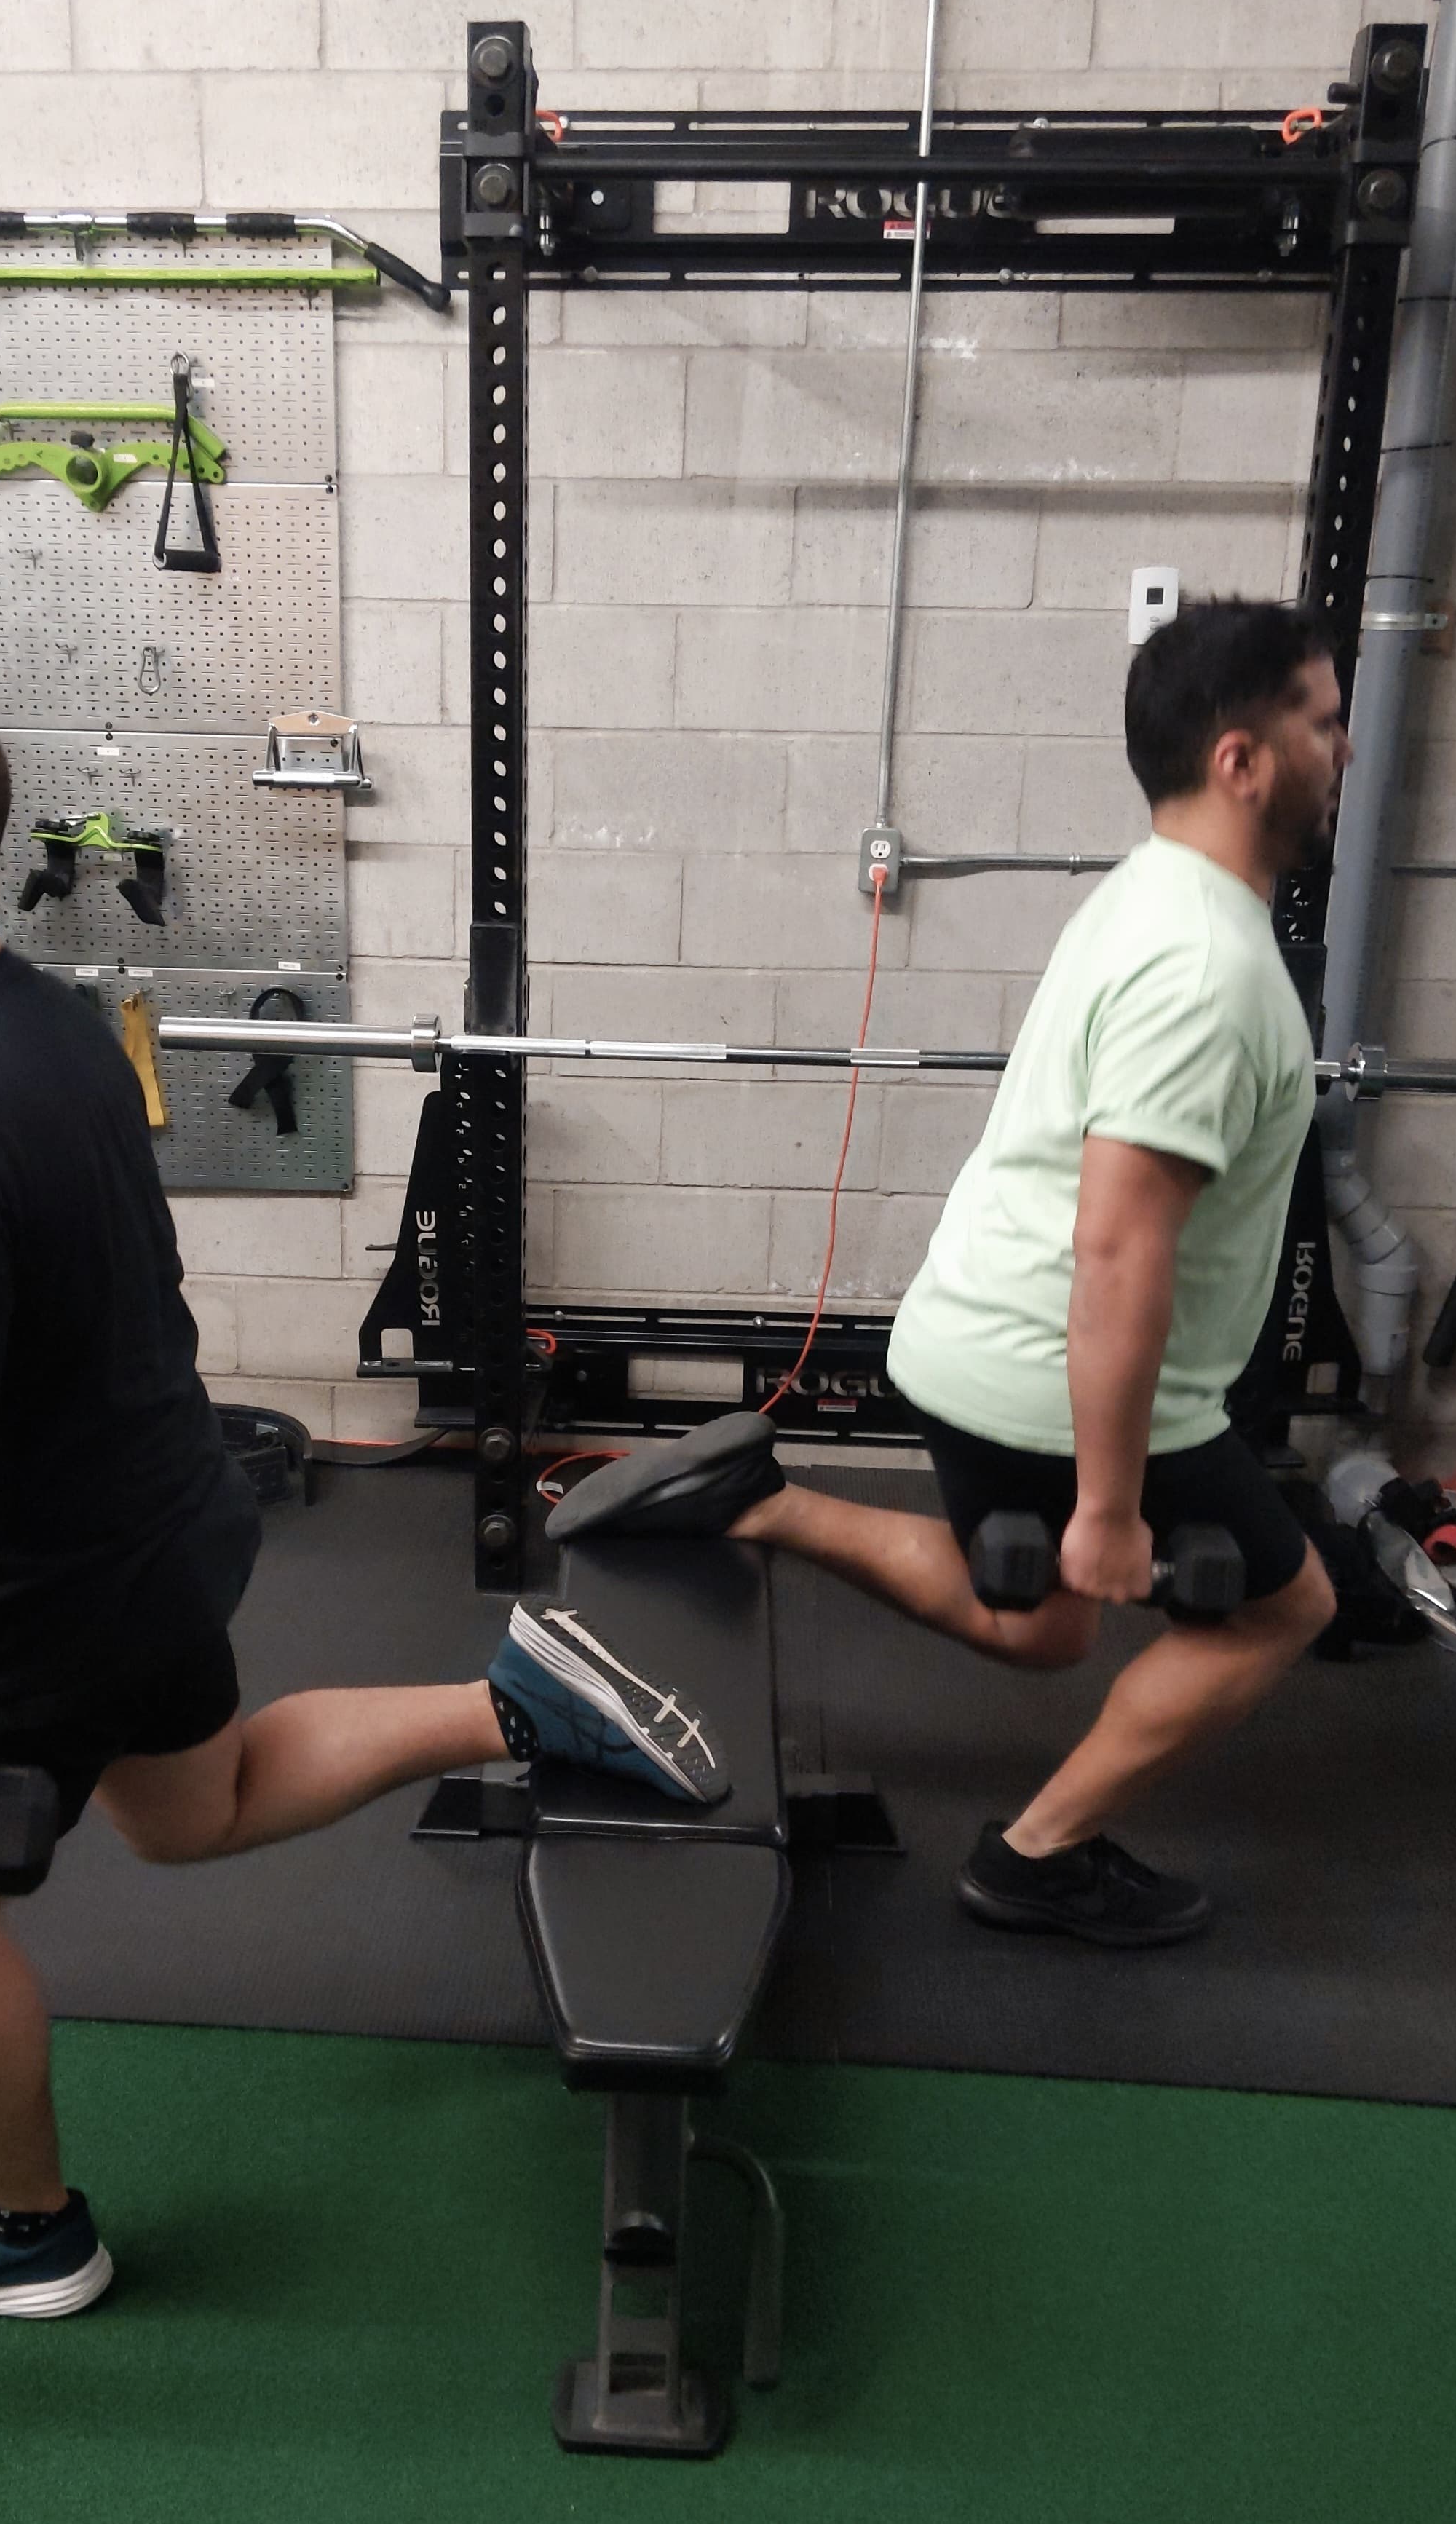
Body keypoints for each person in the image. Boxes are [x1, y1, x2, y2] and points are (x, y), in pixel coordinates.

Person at [0, 660, 725, 2325]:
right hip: (160, 1530)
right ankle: (518, 1703)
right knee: (190, 1805)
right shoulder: (45, 1020)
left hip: (30, 1602)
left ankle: (22, 2226)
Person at [550, 600, 1344, 1946]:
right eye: (1322, 721)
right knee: (1283, 1612)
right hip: (1065, 1381)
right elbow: (1121, 1240)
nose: (1341, 746)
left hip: (975, 1346)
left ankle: (770, 1509)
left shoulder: (1149, 891)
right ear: (1242, 759)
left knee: (1038, 1629)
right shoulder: (1206, 964)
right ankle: (1040, 1856)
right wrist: (1106, 1501)